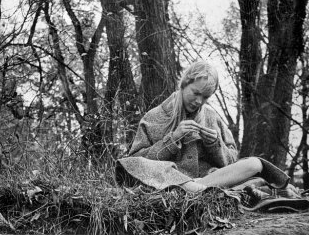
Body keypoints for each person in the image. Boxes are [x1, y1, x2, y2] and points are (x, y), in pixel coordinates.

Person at [116, 61, 290, 195]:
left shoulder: (213, 117)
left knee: (255, 163)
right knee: (129, 163)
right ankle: (194, 188)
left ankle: (195, 189)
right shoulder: (154, 117)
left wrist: (215, 145)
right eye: (196, 93)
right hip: (170, 178)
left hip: (209, 179)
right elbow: (137, 162)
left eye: (205, 97)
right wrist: (172, 139)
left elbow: (231, 161)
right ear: (184, 84)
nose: (199, 101)